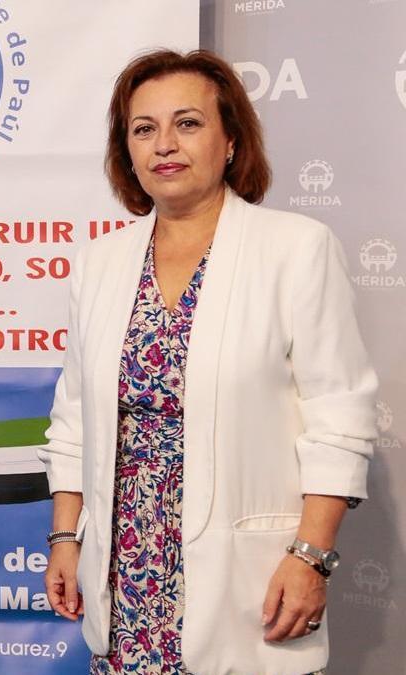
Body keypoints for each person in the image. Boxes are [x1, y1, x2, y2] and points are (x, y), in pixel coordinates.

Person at [37, 49, 378, 675]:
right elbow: (75, 415)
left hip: (247, 586)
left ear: (229, 141)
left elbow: (341, 419)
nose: (165, 144)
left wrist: (311, 556)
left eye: (188, 123)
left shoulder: (295, 249)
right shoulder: (100, 261)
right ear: (127, 151)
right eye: (144, 129)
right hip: (124, 578)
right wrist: (66, 537)